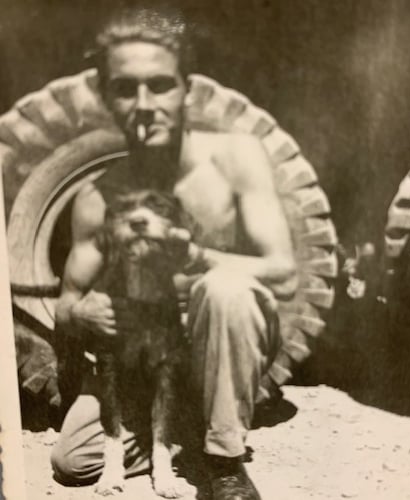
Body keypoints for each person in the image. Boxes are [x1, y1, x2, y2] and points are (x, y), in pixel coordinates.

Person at [51, 5, 297, 500]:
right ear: (107, 97)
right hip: (144, 356)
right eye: (125, 88)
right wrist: (83, 311)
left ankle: (223, 461)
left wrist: (196, 256)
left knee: (224, 289)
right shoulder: (99, 196)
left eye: (161, 85)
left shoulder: (236, 157)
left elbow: (283, 274)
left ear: (188, 88)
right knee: (73, 459)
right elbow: (65, 304)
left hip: (217, 341)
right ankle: (184, 424)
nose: (144, 104)